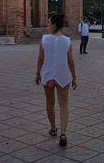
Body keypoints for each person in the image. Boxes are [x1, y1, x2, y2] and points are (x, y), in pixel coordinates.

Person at [36, 15, 77, 146]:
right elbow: (70, 61)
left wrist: (38, 73)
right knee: (63, 104)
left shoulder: (44, 39)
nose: (48, 25)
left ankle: (53, 129)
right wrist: (74, 76)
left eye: (49, 22)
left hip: (47, 75)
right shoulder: (67, 41)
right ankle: (63, 133)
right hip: (63, 75)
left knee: (50, 103)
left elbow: (40, 59)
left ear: (54, 24)